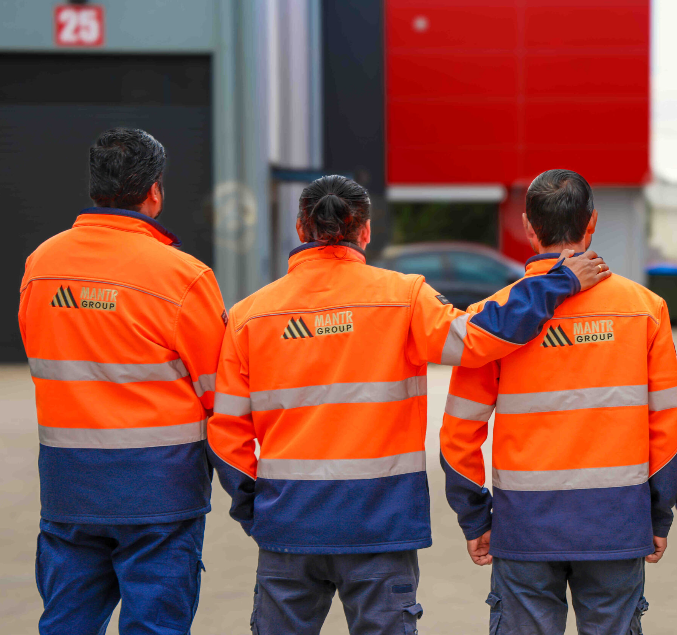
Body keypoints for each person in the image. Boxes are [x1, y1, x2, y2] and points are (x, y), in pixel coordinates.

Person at [206, 174, 609, 634]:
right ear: (367, 230)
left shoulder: (248, 316)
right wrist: (556, 283)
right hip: (380, 524)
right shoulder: (404, 297)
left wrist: (256, 512)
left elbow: (226, 433)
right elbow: (476, 340)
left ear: (301, 229)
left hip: (288, 525)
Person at [441, 169, 677, 635]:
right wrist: (657, 513)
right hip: (615, 524)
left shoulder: (493, 320)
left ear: (529, 227)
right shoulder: (645, 310)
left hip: (525, 527)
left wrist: (474, 518)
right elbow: (666, 426)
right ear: (592, 223)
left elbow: (458, 434)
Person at [19, 128, 226, 634]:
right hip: (159, 491)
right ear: (154, 190)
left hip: (70, 487)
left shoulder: (41, 265)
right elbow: (217, 390)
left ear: (95, 187)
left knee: (67, 621)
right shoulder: (183, 276)